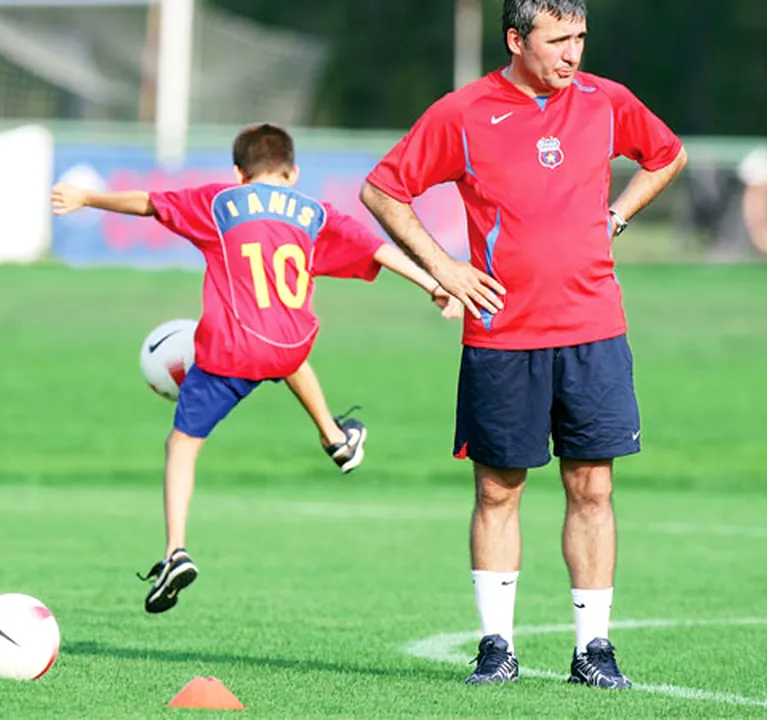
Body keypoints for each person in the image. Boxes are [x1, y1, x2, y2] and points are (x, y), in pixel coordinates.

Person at [360, 0, 687, 689]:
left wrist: (618, 216)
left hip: (594, 330)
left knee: (592, 486)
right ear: (516, 39)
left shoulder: (606, 100)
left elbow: (668, 154)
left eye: (581, 38)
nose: (573, 54)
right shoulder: (464, 112)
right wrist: (444, 267)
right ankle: (496, 648)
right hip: (502, 336)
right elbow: (383, 192)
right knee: (498, 489)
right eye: (558, 39)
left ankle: (593, 649)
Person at [52, 122, 461, 614]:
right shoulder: (314, 211)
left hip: (231, 352)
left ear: (239, 172)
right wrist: (433, 282)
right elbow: (377, 249)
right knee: (287, 350)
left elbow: (148, 203)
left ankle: (174, 552)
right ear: (293, 172)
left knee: (182, 444)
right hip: (290, 343)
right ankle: (335, 438)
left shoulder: (220, 201)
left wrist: (86, 198)